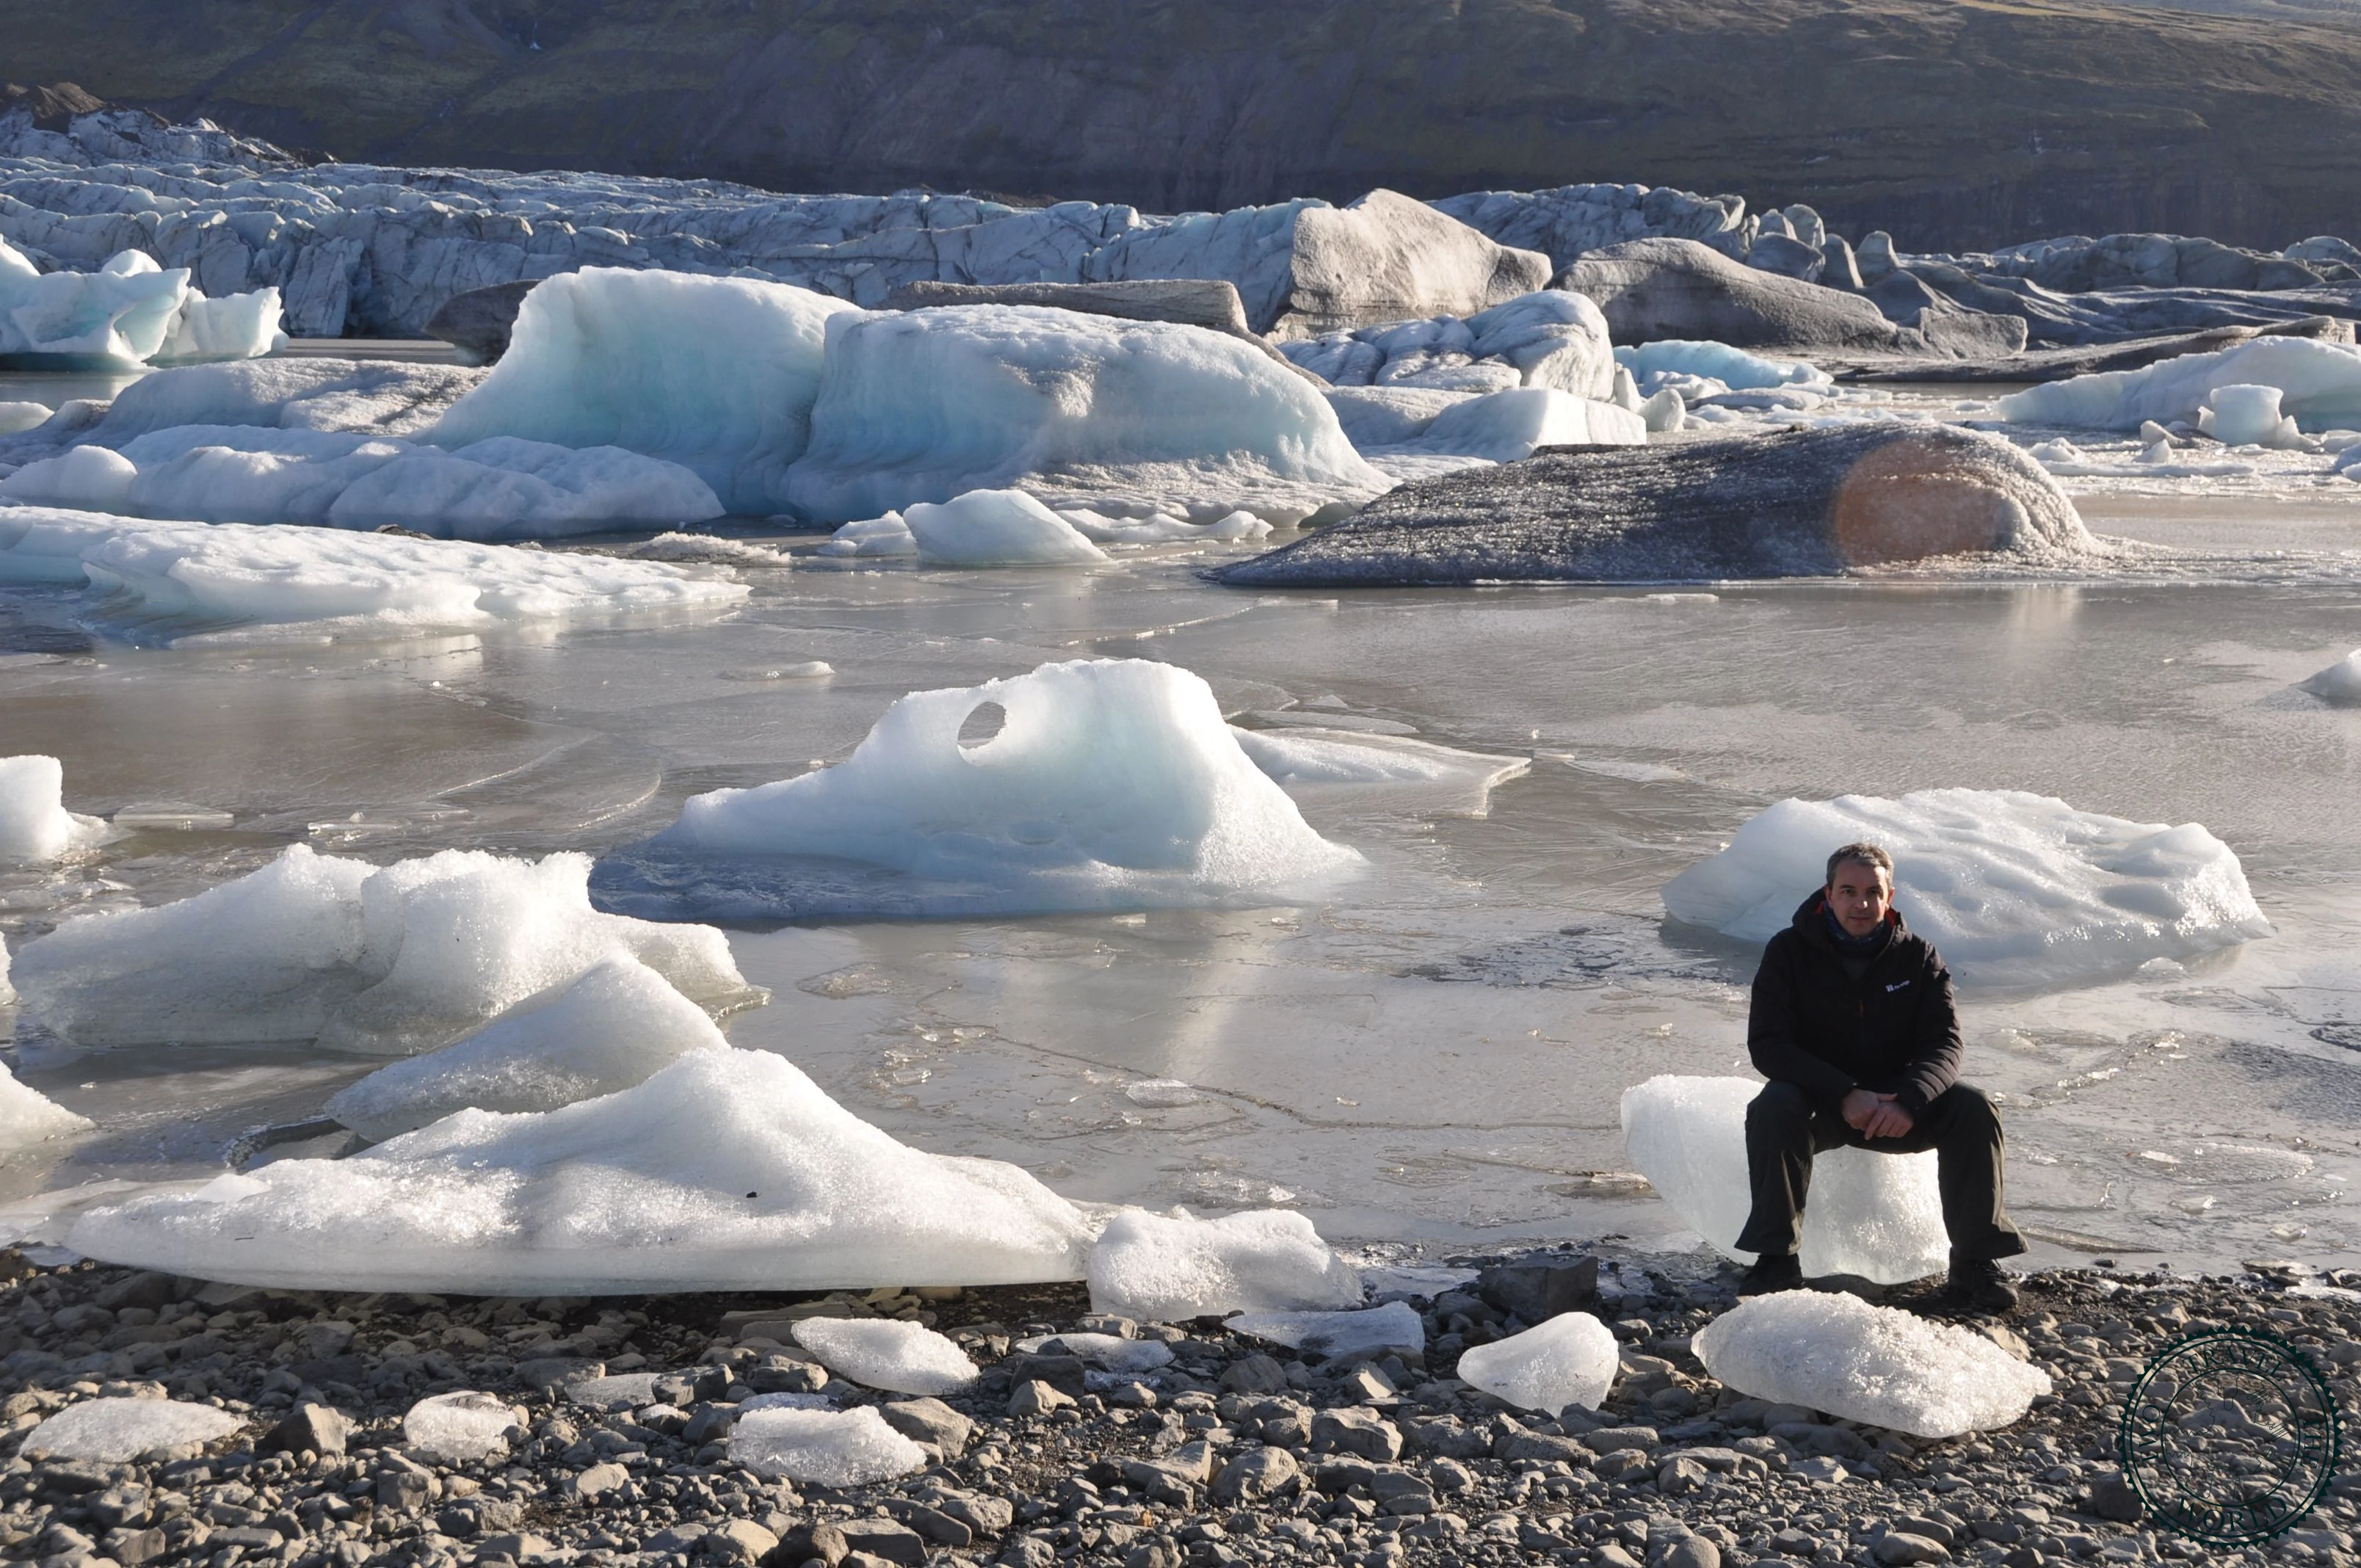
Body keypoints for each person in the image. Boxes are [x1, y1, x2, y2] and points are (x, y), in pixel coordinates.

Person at [1733, 841, 2025, 1311]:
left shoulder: (1919, 957)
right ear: (1828, 895)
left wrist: (1910, 1099)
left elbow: (1945, 1044)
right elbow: (1768, 1044)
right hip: (1821, 1102)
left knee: (1975, 1109)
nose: (1861, 903)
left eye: (1873, 892)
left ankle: (1975, 1263)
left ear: (1891, 896)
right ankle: (1776, 1260)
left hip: (1897, 1108)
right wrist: (1843, 1092)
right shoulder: (1788, 952)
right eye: (1848, 891)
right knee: (1772, 1107)